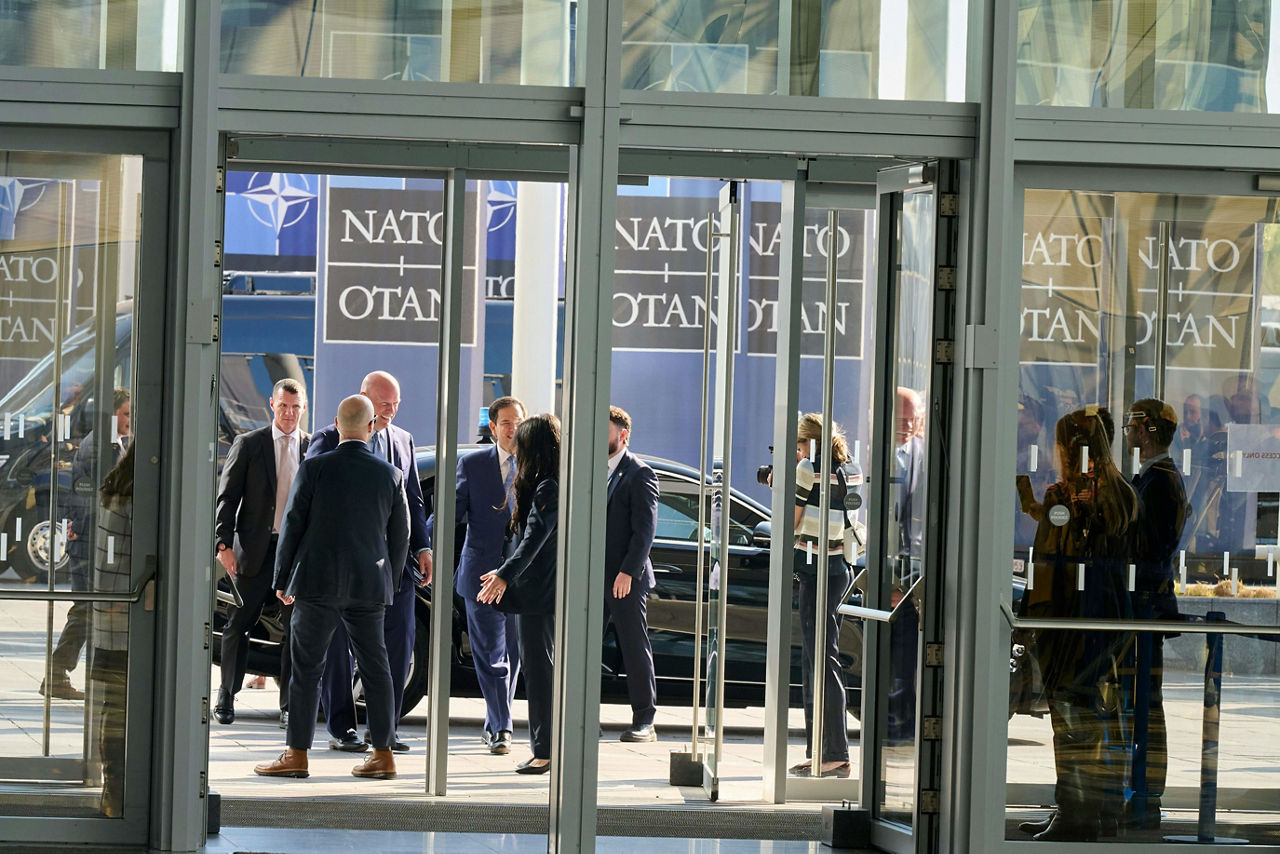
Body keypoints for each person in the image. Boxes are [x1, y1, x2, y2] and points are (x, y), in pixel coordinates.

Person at [254, 395, 410, 780]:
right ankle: (383, 754)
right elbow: (400, 537)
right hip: (369, 586)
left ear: (337, 425)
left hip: (316, 582)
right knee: (376, 668)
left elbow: (293, 524)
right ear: (371, 426)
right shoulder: (390, 475)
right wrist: (386, 580)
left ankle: (296, 754)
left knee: (307, 668)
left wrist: (281, 578)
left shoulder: (315, 468)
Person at [1018, 406, 1136, 842]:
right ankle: (1100, 809)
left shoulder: (1062, 496)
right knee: (1100, 717)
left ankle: (1074, 813)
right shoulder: (1120, 494)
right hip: (1110, 619)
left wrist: (1029, 619)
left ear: (1069, 448)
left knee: (1067, 717)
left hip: (1068, 622)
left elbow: (1049, 566)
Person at [309, 371, 430, 753]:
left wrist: (422, 548)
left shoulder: (403, 440)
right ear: (362, 399)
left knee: (399, 643)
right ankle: (342, 727)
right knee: (339, 646)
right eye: (383, 404)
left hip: (394, 562)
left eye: (396, 404)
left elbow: (413, 499)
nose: (391, 411)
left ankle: (385, 730)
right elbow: (310, 497)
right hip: (344, 565)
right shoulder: (328, 439)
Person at [424, 396, 525, 755]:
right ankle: (502, 728)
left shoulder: (537, 465)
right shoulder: (474, 464)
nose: (513, 429)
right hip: (480, 573)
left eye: (518, 422)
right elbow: (449, 511)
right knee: (491, 655)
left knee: (512, 656)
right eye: (507, 423)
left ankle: (496, 720)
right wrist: (424, 544)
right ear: (494, 428)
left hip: (520, 575)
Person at [213, 379, 309, 726]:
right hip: (253, 549)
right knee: (239, 623)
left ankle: (288, 705)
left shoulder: (312, 448)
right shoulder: (250, 444)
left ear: (303, 409)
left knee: (293, 629)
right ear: (272, 404)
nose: (288, 413)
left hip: (292, 553)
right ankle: (226, 696)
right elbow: (228, 498)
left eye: (295, 407)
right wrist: (222, 545)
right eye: (283, 406)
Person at [477, 414, 561, 775]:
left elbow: (533, 540)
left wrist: (505, 576)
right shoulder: (552, 482)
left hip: (539, 593)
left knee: (540, 671)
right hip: (540, 591)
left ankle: (545, 751)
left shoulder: (548, 487)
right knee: (540, 668)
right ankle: (544, 748)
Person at [777, 412, 856, 778]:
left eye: (797, 444)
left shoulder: (808, 468)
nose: (795, 452)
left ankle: (835, 753)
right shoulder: (848, 468)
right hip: (839, 568)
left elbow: (790, 519)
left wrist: (783, 485)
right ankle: (820, 750)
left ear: (808, 441)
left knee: (820, 661)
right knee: (821, 658)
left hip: (815, 568)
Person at [1123, 398, 1189, 831]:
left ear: (1146, 429)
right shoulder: (1153, 477)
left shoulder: (1162, 481)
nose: (1127, 429)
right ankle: (1140, 794)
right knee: (1139, 704)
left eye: (1131, 422)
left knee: (1145, 705)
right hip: (1140, 605)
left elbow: (1152, 549)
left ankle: (1147, 796)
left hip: (1144, 607)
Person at [42, 388, 131, 701]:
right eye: (125, 414)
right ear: (111, 414)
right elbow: (89, 495)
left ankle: (60, 674)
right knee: (86, 608)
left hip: (95, 538)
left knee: (90, 608)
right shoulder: (100, 447)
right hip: (93, 539)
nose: (130, 420)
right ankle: (56, 673)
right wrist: (76, 528)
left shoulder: (113, 443)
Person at [603, 406, 659, 742]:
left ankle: (645, 720)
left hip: (626, 579)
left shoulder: (640, 473)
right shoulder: (591, 468)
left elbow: (645, 532)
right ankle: (581, 718)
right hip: (593, 575)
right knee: (585, 648)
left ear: (622, 435)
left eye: (605, 430)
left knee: (634, 646)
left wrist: (627, 572)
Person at [91, 441, 135, 817]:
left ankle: (112, 788)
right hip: (129, 614)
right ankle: (118, 791)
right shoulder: (141, 499)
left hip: (110, 614)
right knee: (124, 706)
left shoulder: (115, 489)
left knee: (113, 704)